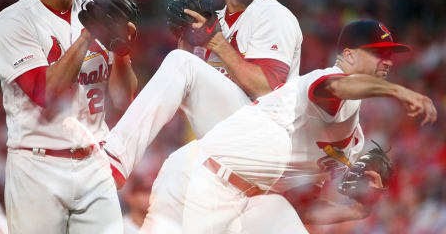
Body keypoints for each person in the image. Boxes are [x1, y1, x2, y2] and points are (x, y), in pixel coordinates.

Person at [140, 20, 437, 233]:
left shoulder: (352, 139)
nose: (387, 61)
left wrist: (356, 210)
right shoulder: (320, 82)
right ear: (348, 55)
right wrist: (401, 91)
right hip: (202, 177)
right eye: (377, 53)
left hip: (249, 201)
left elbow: (303, 208)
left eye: (389, 55)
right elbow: (339, 87)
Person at [104, 0, 302, 187]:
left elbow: (267, 90)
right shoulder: (210, 23)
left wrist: (215, 44)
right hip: (229, 147)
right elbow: (175, 93)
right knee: (170, 183)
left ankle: (113, 160)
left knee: (180, 63)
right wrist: (184, 43)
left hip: (265, 141)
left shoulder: (272, 15)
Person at [0, 0, 137, 233]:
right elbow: (44, 92)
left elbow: (124, 98)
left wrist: (121, 53)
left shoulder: (95, 10)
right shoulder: (15, 20)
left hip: (94, 163)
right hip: (37, 166)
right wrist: (89, 34)